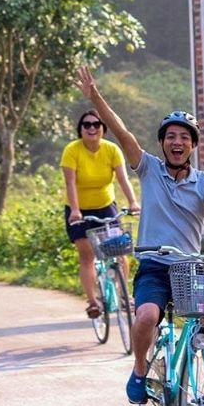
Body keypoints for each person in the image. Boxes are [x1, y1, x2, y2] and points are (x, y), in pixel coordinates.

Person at [74, 65, 204, 406]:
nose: (177, 142)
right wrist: (95, 97)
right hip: (154, 264)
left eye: (185, 137)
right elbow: (124, 134)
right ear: (162, 143)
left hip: (189, 270)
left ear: (193, 145)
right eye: (171, 136)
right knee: (147, 317)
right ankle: (140, 371)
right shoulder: (149, 168)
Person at [62, 109, 140, 318]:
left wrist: (132, 202)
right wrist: (76, 210)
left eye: (96, 124)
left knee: (121, 250)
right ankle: (93, 302)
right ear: (80, 129)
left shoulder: (112, 150)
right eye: (86, 125)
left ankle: (125, 296)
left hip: (106, 206)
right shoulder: (72, 150)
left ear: (103, 129)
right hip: (78, 209)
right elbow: (70, 183)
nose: (92, 128)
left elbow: (123, 179)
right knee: (87, 255)